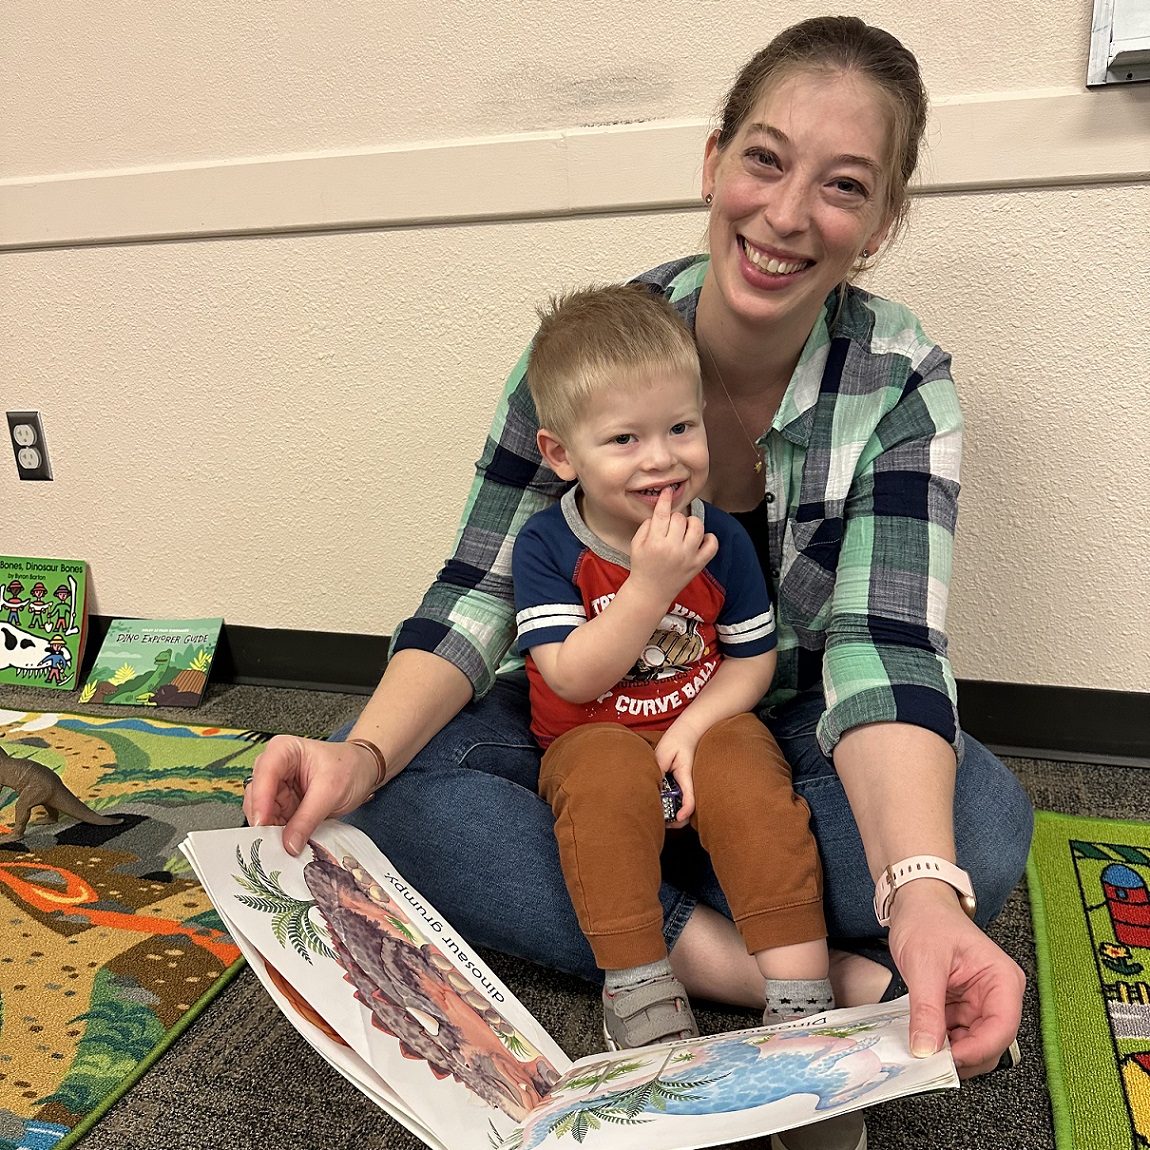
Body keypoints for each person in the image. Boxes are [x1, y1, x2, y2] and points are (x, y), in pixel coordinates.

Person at [246, 16, 1033, 1148]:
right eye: (763, 160)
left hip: (773, 729)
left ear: (881, 223)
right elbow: (478, 590)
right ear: (713, 163)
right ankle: (780, 974)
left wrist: (919, 883)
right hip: (584, 731)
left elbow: (880, 651)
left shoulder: (902, 384)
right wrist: (358, 754)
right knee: (383, 788)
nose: (785, 213)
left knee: (981, 825)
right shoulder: (580, 354)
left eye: (843, 185)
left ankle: (669, 921)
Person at [513, 284, 834, 1052]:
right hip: (591, 739)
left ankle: (805, 1005)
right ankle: (641, 985)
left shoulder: (717, 536)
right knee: (597, 780)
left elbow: (751, 662)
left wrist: (691, 731)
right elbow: (571, 678)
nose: (662, 458)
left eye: (681, 428)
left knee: (756, 778)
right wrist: (650, 586)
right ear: (562, 455)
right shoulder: (547, 547)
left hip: (701, 723)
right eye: (624, 440)